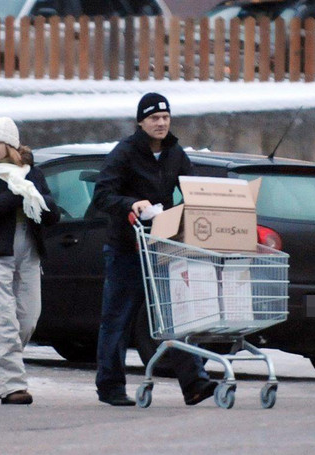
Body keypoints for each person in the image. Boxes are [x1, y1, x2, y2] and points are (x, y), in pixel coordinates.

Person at [92, 93, 220, 406]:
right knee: (118, 319)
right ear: (141, 122)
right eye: (153, 118)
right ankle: (110, 387)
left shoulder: (175, 153)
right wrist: (130, 203)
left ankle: (194, 384)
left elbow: (192, 189)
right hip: (128, 248)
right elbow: (101, 195)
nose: (160, 123)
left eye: (165, 117)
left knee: (175, 316)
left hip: (162, 247)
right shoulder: (124, 153)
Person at [0, 117, 60, 405]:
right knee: (4, 321)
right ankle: (12, 387)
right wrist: (18, 193)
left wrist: (33, 196)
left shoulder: (32, 175)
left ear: (10, 144)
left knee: (28, 319)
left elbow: (51, 214)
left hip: (29, 255)